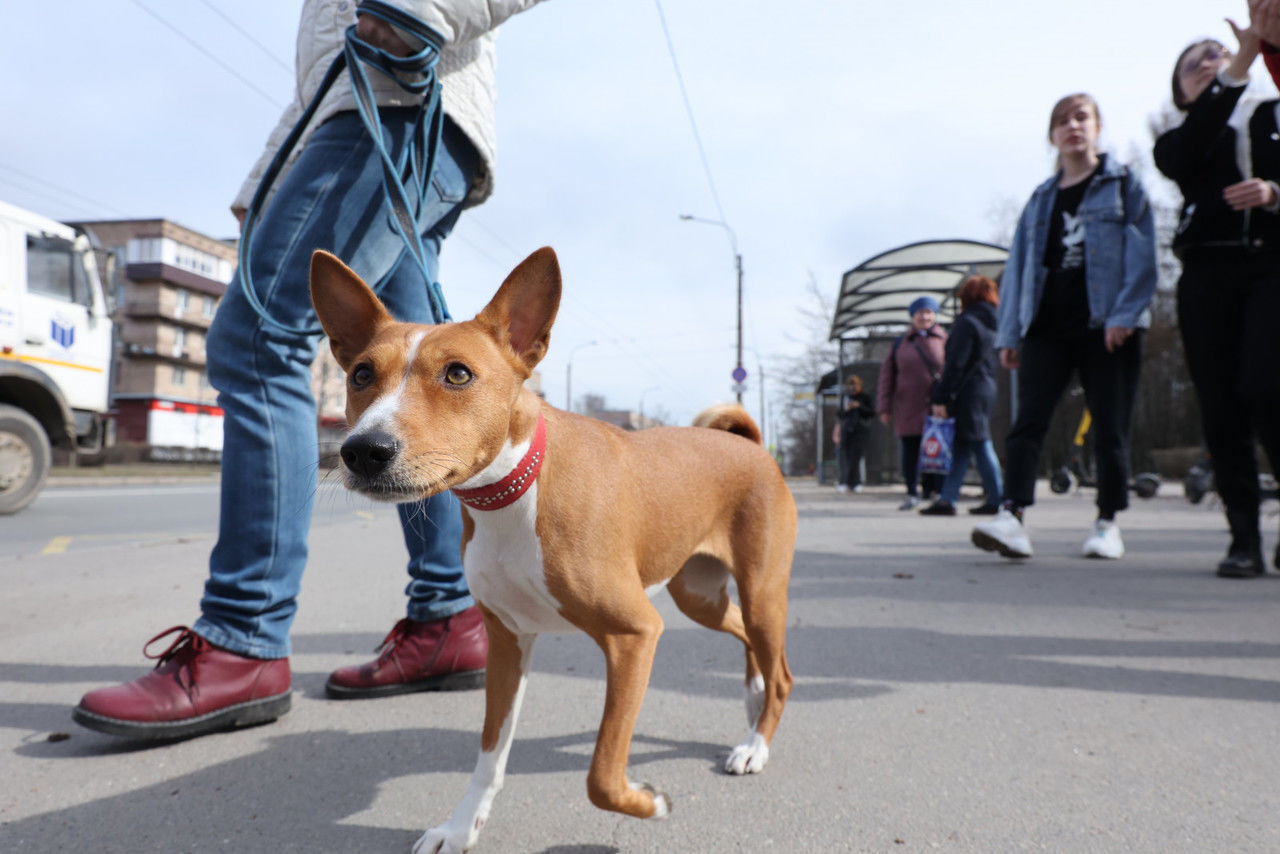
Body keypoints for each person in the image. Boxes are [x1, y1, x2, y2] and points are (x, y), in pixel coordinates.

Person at [74, 0, 546, 740]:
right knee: (408, 364)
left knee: (257, 340)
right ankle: (450, 617)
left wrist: (422, 7)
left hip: (393, 101)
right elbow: (325, 63)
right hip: (374, 106)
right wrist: (270, 179)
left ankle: (244, 640)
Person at [971, 93, 1158, 561]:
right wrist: (1010, 333)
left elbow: (1144, 256)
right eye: (1062, 121)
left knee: (1110, 428)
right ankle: (1011, 517)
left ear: (1097, 127)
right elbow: (1018, 269)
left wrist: (1124, 316)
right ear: (1052, 136)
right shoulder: (1040, 199)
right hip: (1046, 327)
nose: (1073, 126)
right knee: (1027, 423)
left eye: (1082, 117)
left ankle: (1106, 522)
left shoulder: (1122, 185)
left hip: (1105, 326)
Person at [1153, 14, 1280, 578]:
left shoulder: (1274, 116)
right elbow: (1186, 155)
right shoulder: (1180, 140)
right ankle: (1244, 539)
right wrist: (1238, 63)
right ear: (1181, 91)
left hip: (1272, 267)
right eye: (1193, 62)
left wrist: (1276, 192)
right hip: (1206, 275)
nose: (1208, 61)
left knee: (1266, 386)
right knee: (1221, 407)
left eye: (1216, 51)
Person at [919, 275, 1003, 517]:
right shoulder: (993, 322)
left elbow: (956, 363)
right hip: (986, 387)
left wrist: (941, 397)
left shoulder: (967, 323)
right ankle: (948, 498)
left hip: (969, 390)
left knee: (979, 442)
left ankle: (997, 497)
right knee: (963, 445)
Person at [876, 296, 947, 510]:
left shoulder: (945, 339)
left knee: (935, 450)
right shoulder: (900, 343)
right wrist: (884, 407)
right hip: (907, 406)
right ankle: (912, 492)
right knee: (911, 451)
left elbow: (953, 371)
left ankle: (935, 491)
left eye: (929, 312)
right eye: (920, 313)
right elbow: (886, 377)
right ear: (912, 316)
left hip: (936, 406)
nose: (924, 316)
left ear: (935, 315)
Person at [832, 374, 875, 492]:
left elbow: (871, 412)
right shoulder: (845, 398)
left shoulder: (865, 397)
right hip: (847, 431)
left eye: (854, 385)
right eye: (850, 385)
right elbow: (839, 414)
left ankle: (853, 482)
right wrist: (847, 408)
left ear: (859, 385)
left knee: (855, 457)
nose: (852, 388)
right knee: (847, 457)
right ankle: (849, 482)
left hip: (860, 431)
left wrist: (859, 406)